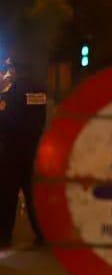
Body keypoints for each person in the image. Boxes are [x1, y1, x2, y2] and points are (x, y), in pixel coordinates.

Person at [0, 54, 47, 248]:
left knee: (7, 196)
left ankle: (3, 236)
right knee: (33, 195)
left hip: (12, 152)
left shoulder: (12, 92)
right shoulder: (40, 90)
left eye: (10, 69)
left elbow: (4, 120)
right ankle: (42, 233)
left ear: (16, 70)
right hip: (33, 149)